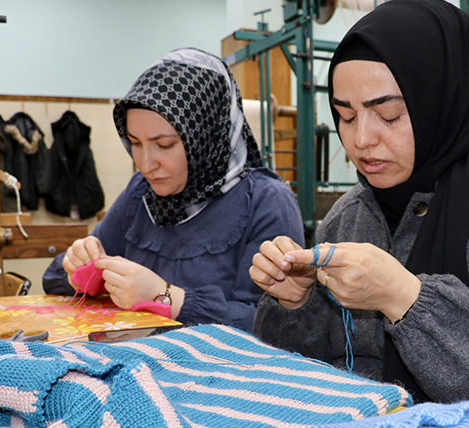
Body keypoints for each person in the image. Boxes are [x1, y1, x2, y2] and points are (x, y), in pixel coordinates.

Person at [250, 0, 469, 414]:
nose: (361, 140)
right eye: (345, 116)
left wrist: (405, 298)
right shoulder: (348, 216)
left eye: (387, 115)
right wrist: (295, 305)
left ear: (441, 105)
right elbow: (298, 379)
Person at [43, 48, 303, 333]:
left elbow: (278, 327)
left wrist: (168, 297)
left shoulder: (267, 202)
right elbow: (54, 279)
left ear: (206, 136)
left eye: (164, 145)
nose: (144, 164)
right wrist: (78, 267)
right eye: (135, 143)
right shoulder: (140, 194)